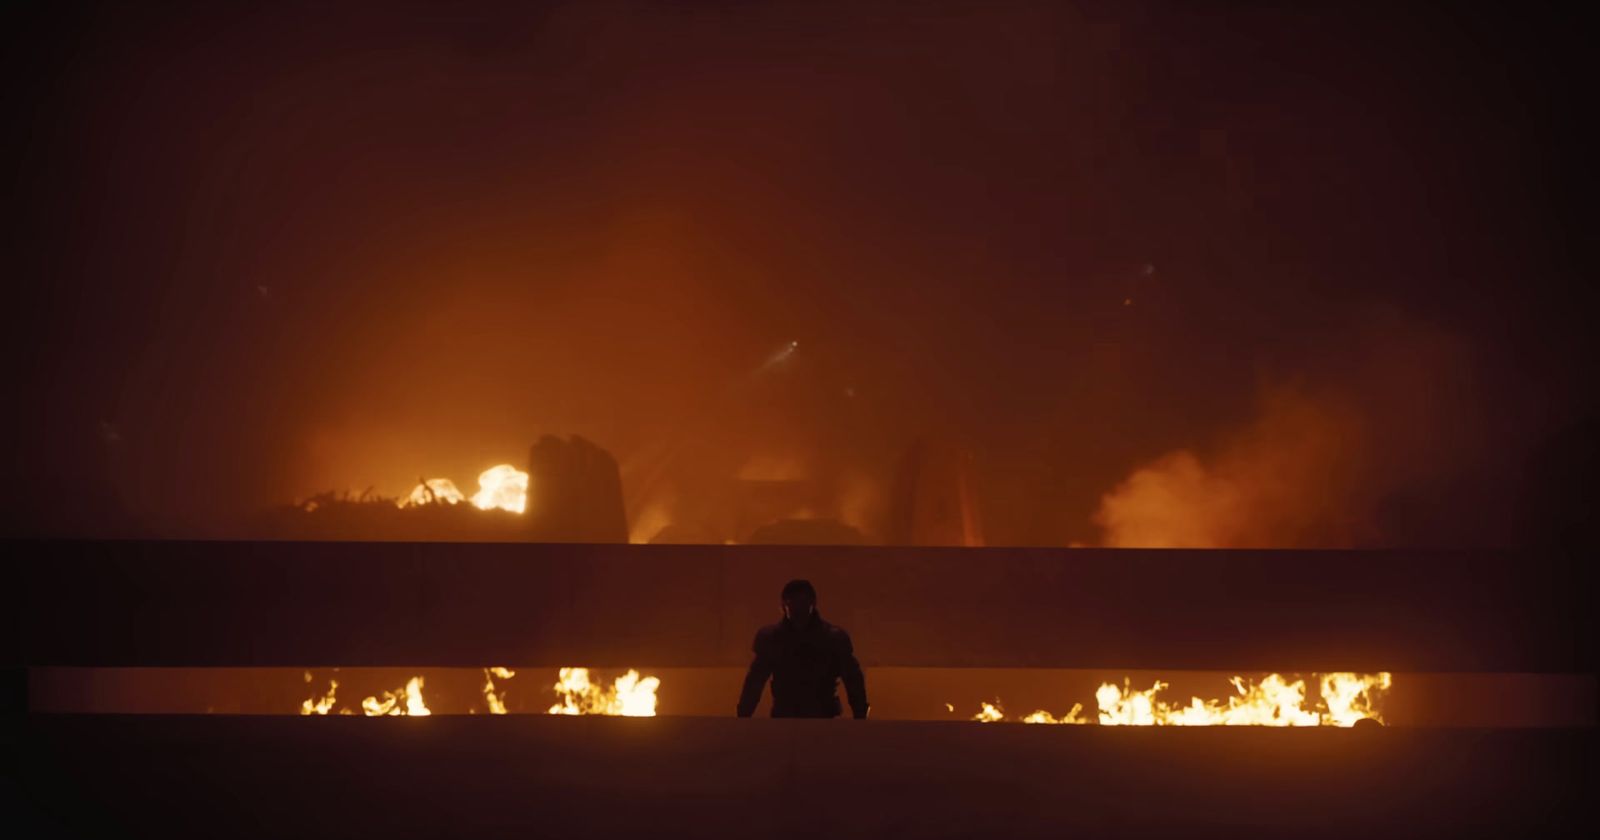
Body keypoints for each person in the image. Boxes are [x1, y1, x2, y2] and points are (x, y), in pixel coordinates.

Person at [737, 579, 869, 719]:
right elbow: (853, 680)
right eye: (794, 603)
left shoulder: (773, 638)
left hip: (804, 716)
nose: (798, 609)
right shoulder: (832, 638)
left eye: (802, 603)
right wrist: (860, 715)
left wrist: (743, 715)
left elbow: (755, 681)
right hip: (811, 716)